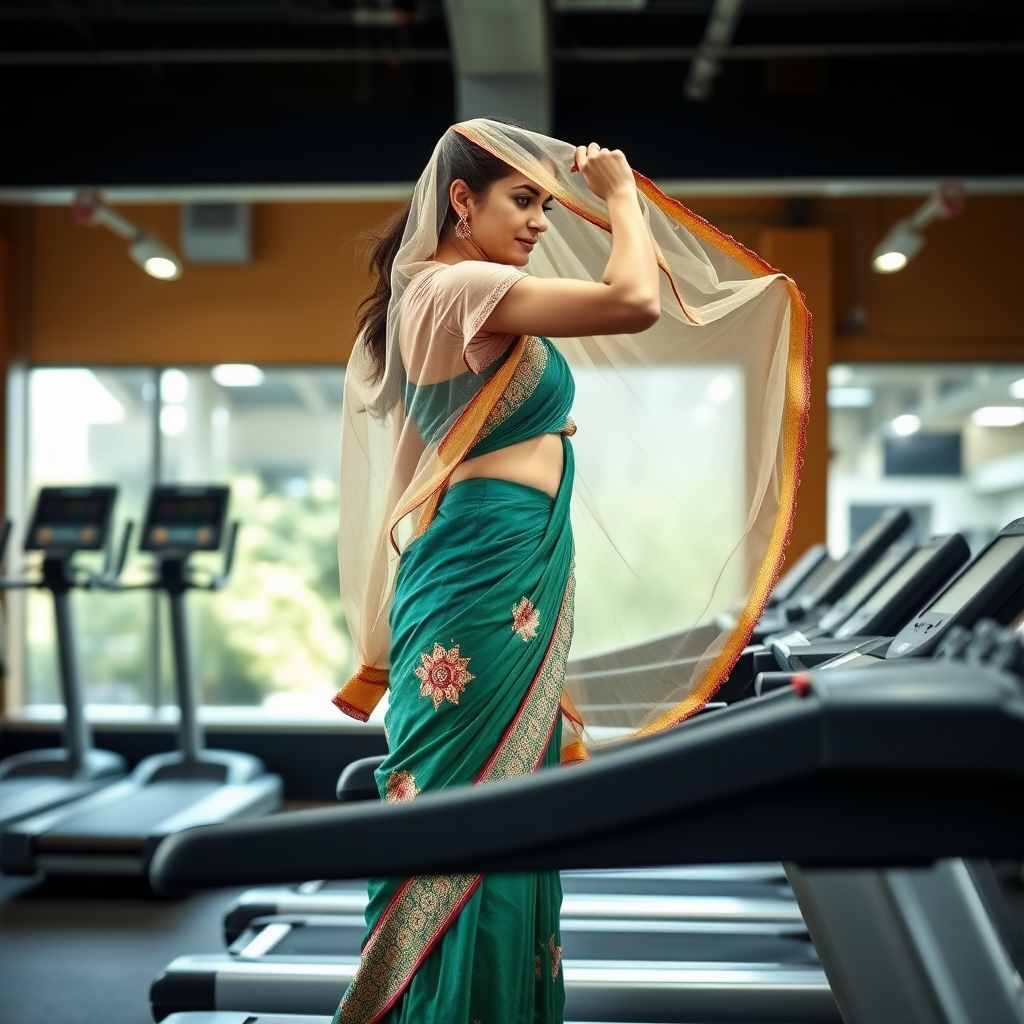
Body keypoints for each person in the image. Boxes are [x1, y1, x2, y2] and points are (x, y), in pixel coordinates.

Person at [332, 118, 813, 1023]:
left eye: (548, 207)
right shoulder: (458, 285)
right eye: (525, 201)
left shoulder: (462, 292)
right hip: (481, 571)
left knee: (510, 803)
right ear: (461, 201)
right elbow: (632, 300)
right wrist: (622, 199)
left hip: (508, 561)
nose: (539, 223)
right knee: (469, 810)